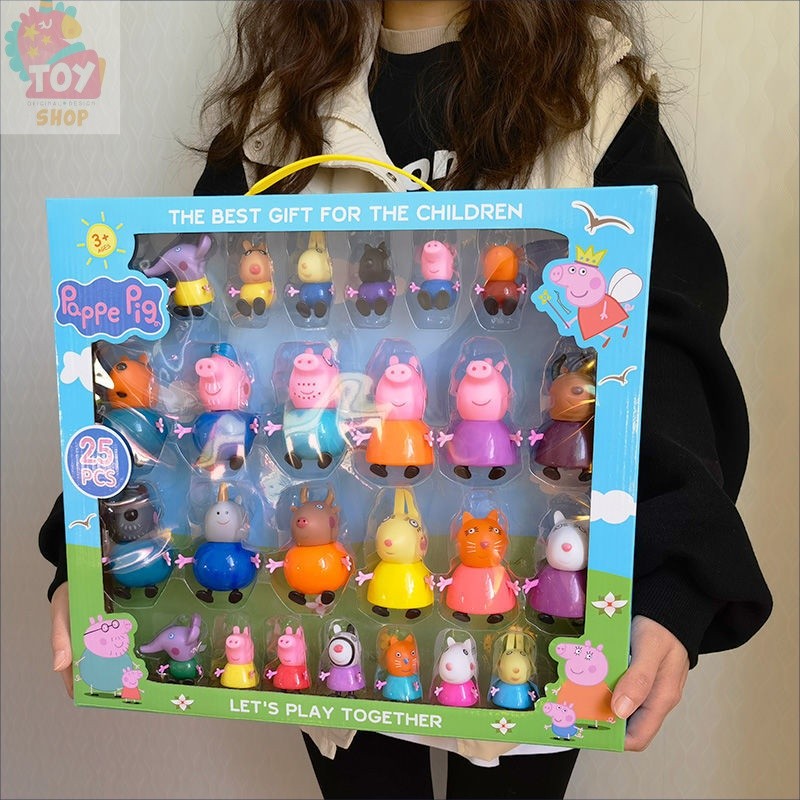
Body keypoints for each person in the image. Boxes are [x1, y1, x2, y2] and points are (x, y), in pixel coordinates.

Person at [40, 2, 773, 798]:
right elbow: (163, 341)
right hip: (327, 598)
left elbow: (662, 331)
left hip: (539, 598)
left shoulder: (590, 91)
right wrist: (90, 551)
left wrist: (675, 579)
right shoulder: (277, 118)